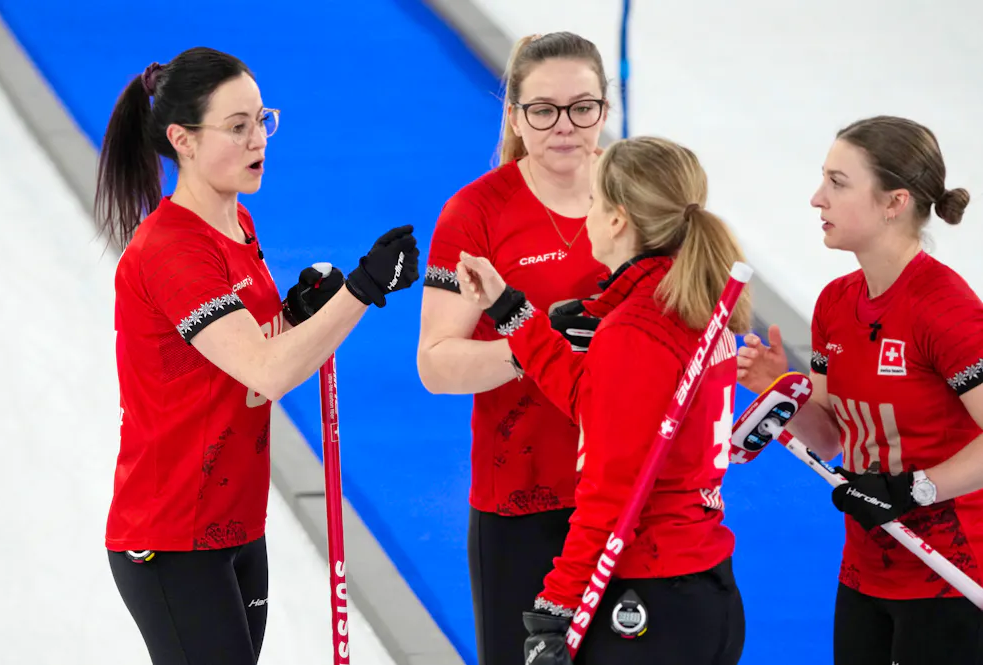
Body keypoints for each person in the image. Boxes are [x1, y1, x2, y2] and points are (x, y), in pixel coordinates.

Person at [95, 47, 419, 665]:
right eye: (237, 126)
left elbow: (246, 352)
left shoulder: (237, 222)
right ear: (183, 140)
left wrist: (299, 312)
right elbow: (267, 371)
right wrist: (361, 290)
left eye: (262, 120)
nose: (258, 139)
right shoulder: (172, 251)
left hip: (235, 520)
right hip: (174, 534)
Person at [456, 135, 750, 664]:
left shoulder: (636, 330)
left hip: (648, 600)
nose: (585, 215)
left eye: (593, 201)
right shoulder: (687, 304)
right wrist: (512, 312)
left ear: (617, 220)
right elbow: (592, 401)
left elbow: (610, 490)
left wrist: (557, 602)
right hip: (699, 586)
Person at [737, 115, 983, 665]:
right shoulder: (835, 303)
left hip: (951, 576)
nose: (817, 198)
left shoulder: (945, 309)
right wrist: (782, 390)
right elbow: (830, 440)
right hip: (867, 570)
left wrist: (916, 489)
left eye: (838, 183)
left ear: (894, 202)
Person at [417, 32, 610, 665]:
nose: (565, 126)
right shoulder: (476, 214)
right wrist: (531, 343)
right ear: (515, 116)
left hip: (627, 492)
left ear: (606, 108)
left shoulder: (639, 198)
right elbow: (435, 364)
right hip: (524, 498)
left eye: (582, 107)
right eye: (544, 110)